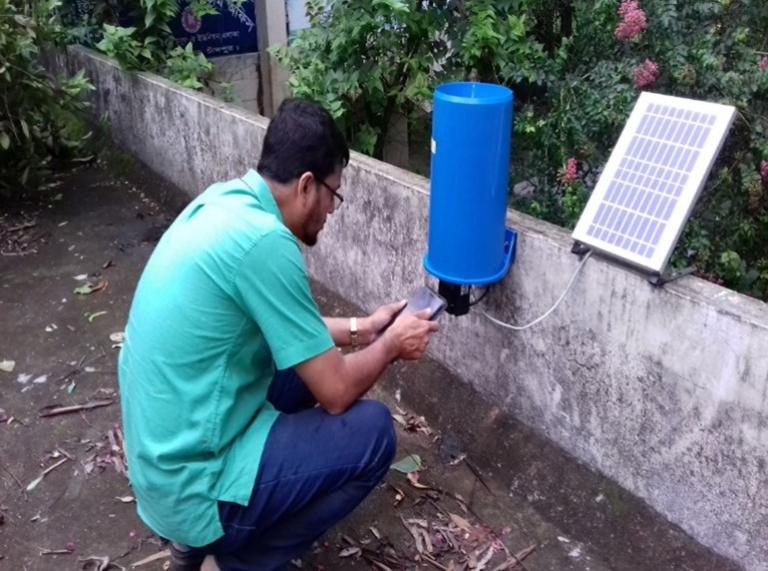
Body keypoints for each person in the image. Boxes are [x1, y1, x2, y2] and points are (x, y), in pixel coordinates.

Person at [117, 98, 439, 571]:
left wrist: (363, 329)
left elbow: (287, 329)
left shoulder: (227, 203)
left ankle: (195, 545)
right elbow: (335, 393)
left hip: (162, 465)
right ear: (307, 185)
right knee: (372, 434)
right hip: (194, 488)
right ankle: (235, 563)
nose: (332, 210)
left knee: (291, 366)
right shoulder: (266, 243)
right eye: (334, 194)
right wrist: (390, 345)